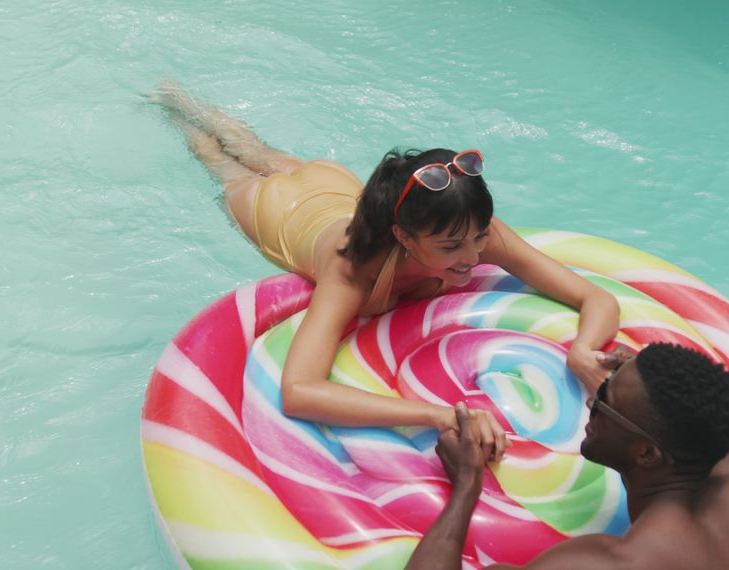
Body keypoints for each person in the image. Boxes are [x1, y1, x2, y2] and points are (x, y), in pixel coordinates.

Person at [149, 84, 621, 459]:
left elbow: (597, 298)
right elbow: (298, 391)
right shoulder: (354, 270)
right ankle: (173, 106)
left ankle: (189, 102)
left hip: (334, 183)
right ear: (404, 236)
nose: (474, 257)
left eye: (479, 238)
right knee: (220, 159)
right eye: (452, 246)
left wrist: (583, 351)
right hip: (278, 214)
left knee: (255, 146)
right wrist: (440, 415)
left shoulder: (473, 232)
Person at [407, 343, 729, 569]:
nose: (592, 400)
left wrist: (466, 483)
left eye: (607, 397)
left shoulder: (612, 562)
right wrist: (673, 398)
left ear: (647, 453)